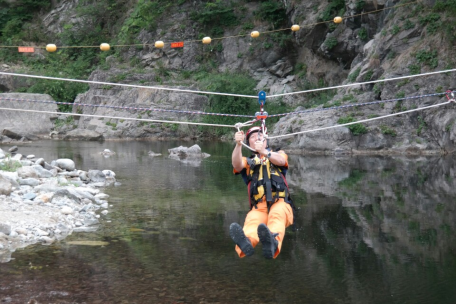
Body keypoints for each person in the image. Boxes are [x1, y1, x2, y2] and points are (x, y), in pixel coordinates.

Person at [230, 126, 294, 259]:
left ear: (266, 140)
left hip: (280, 202)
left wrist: (264, 152)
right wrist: (238, 145)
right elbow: (236, 164)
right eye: (252, 137)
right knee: (252, 221)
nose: (256, 138)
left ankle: (273, 242)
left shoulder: (278, 153)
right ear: (249, 144)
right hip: (259, 207)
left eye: (260, 135)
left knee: (277, 215)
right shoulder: (247, 162)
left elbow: (282, 161)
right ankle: (246, 242)